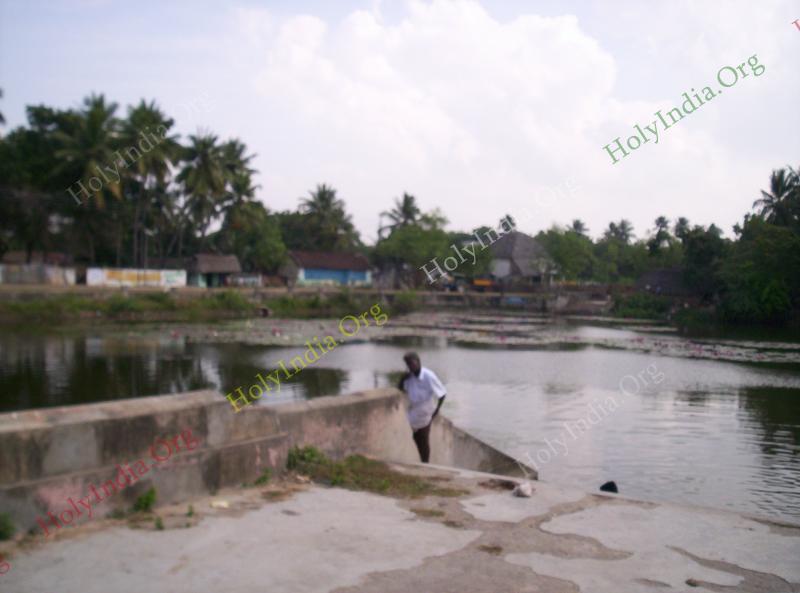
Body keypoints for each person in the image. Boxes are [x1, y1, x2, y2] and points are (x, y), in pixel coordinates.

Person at [397, 352, 447, 463]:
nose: (411, 366)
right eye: (408, 364)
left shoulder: (429, 375)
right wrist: (402, 379)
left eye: (412, 363)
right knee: (416, 438)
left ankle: (426, 463)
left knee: (423, 439)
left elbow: (442, 394)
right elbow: (401, 390)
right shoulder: (409, 377)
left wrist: (436, 411)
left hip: (426, 410)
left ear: (418, 362)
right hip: (414, 412)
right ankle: (423, 462)